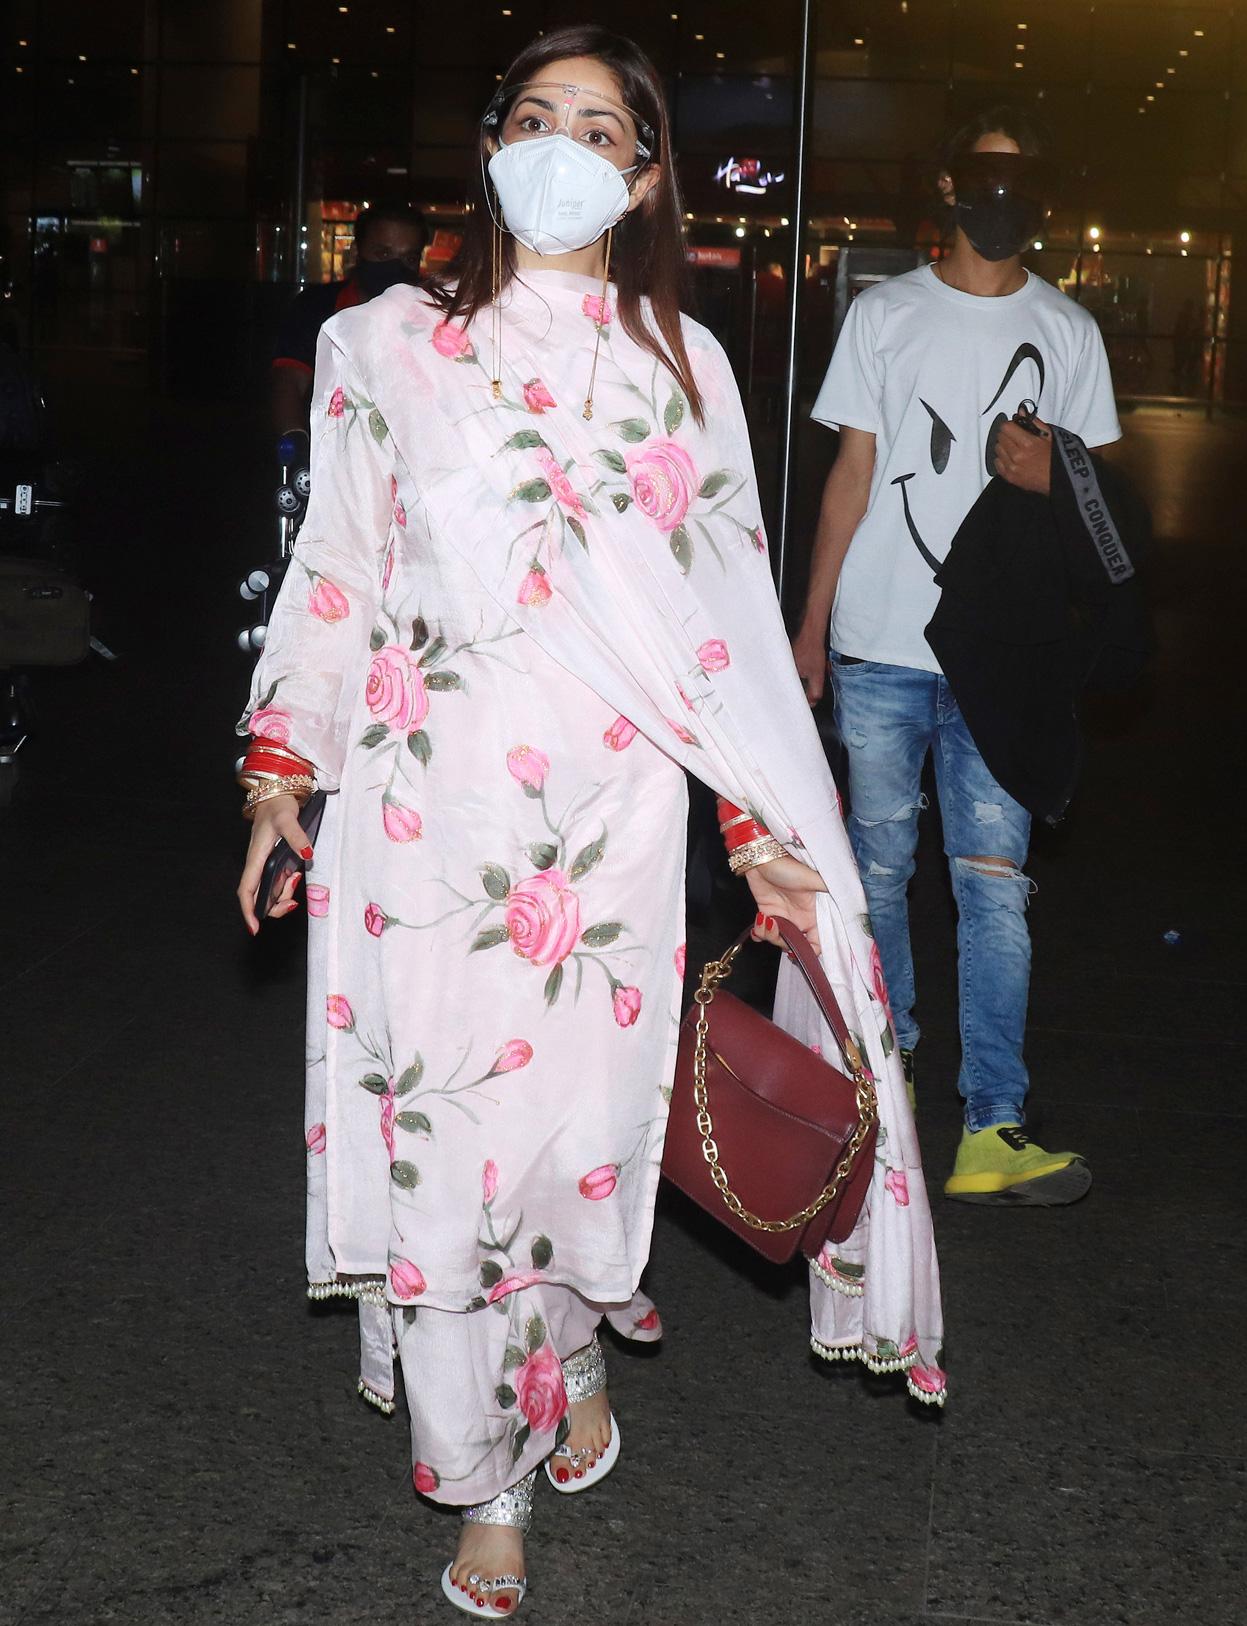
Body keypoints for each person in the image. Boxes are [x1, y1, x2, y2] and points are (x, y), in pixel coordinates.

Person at [237, 27, 945, 1619]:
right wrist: (281, 766)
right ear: (490, 149)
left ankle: (557, 1364)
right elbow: (338, 568)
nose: (564, 143)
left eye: (602, 126)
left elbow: (723, 628)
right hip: (417, 816)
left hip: (600, 830)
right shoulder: (384, 346)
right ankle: (479, 1475)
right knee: (442, 1154)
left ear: (641, 180)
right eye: (535, 116)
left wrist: (761, 818)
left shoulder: (681, 371)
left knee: (558, 1155)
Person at [792, 106, 1122, 1207]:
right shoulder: (883, 314)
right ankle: (879, 1099)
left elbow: (1100, 509)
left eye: (1022, 175)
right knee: (875, 879)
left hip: (1005, 654)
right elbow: (851, 472)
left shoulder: (1068, 331)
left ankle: (991, 1122)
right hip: (879, 644)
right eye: (985, 172)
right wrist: (807, 625)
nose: (1002, 193)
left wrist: (1049, 478)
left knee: (992, 893)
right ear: (947, 186)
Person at [269, 201, 429, 439]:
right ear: (357, 252)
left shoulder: (429, 315)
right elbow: (289, 381)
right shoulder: (317, 306)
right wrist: (296, 442)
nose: (396, 267)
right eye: (383, 254)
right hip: (333, 448)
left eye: (408, 258)